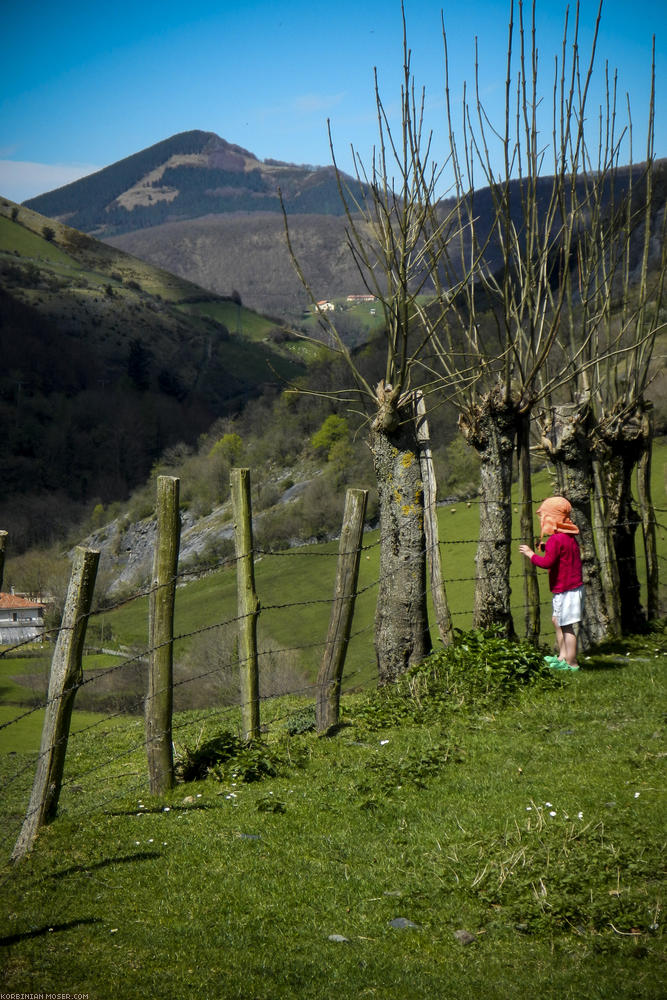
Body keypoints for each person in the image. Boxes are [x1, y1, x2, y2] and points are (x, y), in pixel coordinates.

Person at [519, 496, 583, 671]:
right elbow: (562, 553)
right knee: (557, 621)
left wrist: (531, 554)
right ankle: (562, 657)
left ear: (551, 518)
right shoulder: (567, 536)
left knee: (567, 625)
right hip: (569, 587)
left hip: (566, 589)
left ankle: (571, 662)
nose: (541, 520)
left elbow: (547, 563)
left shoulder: (556, 539)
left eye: (544, 517)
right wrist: (547, 547)